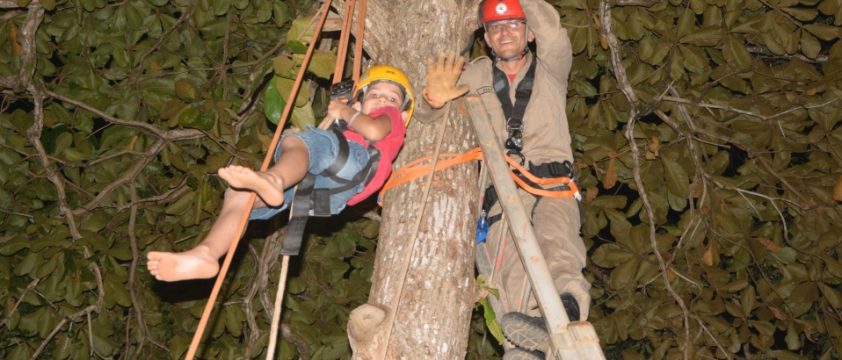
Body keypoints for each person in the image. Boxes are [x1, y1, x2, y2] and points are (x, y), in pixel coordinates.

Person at [421, 0, 589, 358]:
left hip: (551, 186)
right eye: (496, 28)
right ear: (486, 38)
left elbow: (554, 34)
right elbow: (430, 124)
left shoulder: (550, 68)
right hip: (499, 193)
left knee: (557, 245)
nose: (504, 32)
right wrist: (432, 102)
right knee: (509, 276)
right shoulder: (476, 76)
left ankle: (566, 316)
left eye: (513, 24)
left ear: (529, 33)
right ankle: (526, 348)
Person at [147, 65, 414, 282]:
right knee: (241, 196)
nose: (383, 100)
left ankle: (273, 179)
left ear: (401, 114)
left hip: (356, 158)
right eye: (375, 94)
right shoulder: (352, 122)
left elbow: (376, 131)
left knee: (298, 140)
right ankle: (206, 253)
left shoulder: (389, 117)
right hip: (330, 195)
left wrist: (344, 111)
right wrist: (345, 114)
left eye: (392, 98)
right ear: (360, 103)